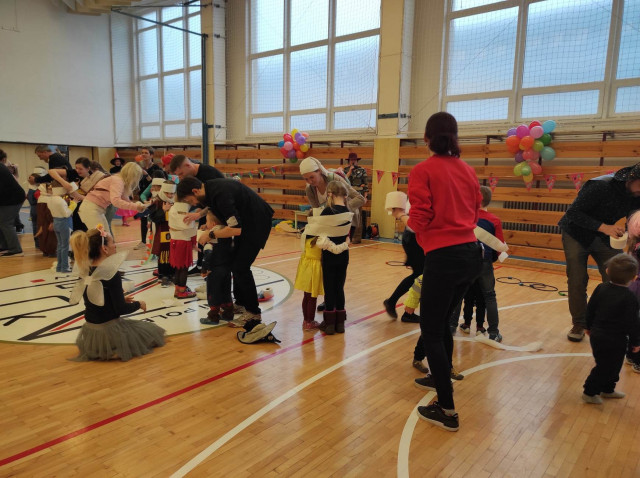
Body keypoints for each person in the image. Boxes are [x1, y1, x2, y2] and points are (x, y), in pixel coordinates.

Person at [392, 112, 483, 432]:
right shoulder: (468, 170)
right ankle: (438, 375)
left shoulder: (423, 170)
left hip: (444, 258)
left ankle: (446, 408)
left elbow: (421, 218)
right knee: (442, 321)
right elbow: (474, 212)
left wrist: (403, 218)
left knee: (431, 330)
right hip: (471, 254)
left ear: (426, 138)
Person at [178, 176, 274, 326]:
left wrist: (210, 234)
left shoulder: (220, 195)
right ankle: (241, 303)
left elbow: (236, 229)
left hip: (257, 224)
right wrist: (200, 215)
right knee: (236, 265)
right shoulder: (209, 189)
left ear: (195, 191)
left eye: (191, 200)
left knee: (241, 267)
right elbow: (211, 208)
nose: (193, 204)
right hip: (247, 222)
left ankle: (253, 313)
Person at [559, 163, 640, 342]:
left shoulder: (636, 194)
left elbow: (633, 217)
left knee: (619, 276)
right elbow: (573, 213)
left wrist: (629, 234)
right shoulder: (600, 185)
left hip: (604, 236)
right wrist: (605, 227)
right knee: (577, 279)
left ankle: (611, 321)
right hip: (575, 233)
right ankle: (579, 324)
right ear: (632, 178)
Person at [68, 226, 166, 361]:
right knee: (152, 331)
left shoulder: (85, 270)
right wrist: (139, 304)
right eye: (112, 242)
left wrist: (120, 298)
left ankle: (104, 348)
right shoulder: (111, 274)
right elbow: (121, 309)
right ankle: (113, 347)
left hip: (91, 331)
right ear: (104, 248)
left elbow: (95, 300)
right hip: (109, 330)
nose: (115, 246)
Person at [300, 156, 365, 311]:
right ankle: (329, 299)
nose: (310, 181)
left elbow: (360, 198)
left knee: (339, 263)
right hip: (326, 226)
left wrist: (340, 210)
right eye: (306, 179)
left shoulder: (335, 180)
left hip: (343, 225)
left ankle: (336, 299)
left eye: (312, 177)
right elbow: (317, 210)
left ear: (319, 171)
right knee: (326, 264)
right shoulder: (310, 189)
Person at [582, 254, 640, 403]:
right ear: (634, 278)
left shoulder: (601, 287)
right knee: (605, 366)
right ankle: (589, 392)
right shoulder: (630, 297)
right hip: (615, 339)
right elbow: (633, 323)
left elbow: (590, 309)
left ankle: (608, 389)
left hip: (598, 335)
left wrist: (588, 326)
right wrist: (636, 342)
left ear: (607, 271)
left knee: (613, 365)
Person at [78, 162, 148, 236]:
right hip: (91, 209)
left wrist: (139, 206)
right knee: (102, 237)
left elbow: (126, 200)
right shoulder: (118, 180)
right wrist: (136, 207)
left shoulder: (119, 180)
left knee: (106, 236)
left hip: (95, 209)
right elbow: (116, 201)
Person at [48, 157, 108, 232]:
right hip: (76, 209)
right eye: (76, 168)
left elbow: (96, 200)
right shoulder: (74, 173)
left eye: (80, 169)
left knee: (95, 231)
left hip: (90, 209)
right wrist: (64, 182)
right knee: (77, 231)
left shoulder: (96, 179)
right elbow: (51, 171)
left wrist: (78, 196)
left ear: (88, 168)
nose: (77, 170)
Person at [199, 211, 235, 325]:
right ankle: (228, 313)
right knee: (226, 291)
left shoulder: (212, 235)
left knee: (213, 292)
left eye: (207, 221)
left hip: (214, 270)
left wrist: (204, 269)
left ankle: (213, 317)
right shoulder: (227, 232)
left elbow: (208, 254)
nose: (206, 224)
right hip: (226, 268)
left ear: (213, 224)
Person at [383, 228, 425, 319]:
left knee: (420, 275)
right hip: (416, 240)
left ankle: (396, 305)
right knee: (421, 276)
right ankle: (407, 312)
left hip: (415, 239)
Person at [293, 218, 324, 331]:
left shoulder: (305, 236)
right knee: (312, 297)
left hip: (305, 267)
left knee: (306, 296)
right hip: (314, 269)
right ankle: (310, 322)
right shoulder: (320, 239)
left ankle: (306, 320)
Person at [168, 191, 198, 299]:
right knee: (184, 268)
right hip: (183, 242)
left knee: (178, 267)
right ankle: (182, 290)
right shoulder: (184, 211)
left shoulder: (172, 209)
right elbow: (190, 228)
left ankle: (177, 290)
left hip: (174, 240)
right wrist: (194, 243)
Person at [149, 180, 175, 288]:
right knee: (163, 254)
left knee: (173, 252)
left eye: (172, 193)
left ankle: (172, 274)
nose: (170, 195)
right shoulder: (157, 202)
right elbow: (153, 218)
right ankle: (164, 275)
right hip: (162, 233)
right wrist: (163, 210)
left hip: (174, 232)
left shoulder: (176, 201)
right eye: (167, 193)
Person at [0, 157, 26, 257]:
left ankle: (16, 249)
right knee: (2, 222)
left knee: (6, 223)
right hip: (8, 198)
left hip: (12, 199)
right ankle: (5, 246)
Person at [343, 152, 369, 243]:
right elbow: (343, 180)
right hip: (348, 195)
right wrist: (350, 171)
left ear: (357, 161)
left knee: (358, 215)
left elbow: (366, 184)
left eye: (354, 160)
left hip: (358, 195)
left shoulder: (362, 170)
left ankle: (357, 237)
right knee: (348, 215)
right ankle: (348, 236)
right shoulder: (345, 170)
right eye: (351, 160)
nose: (353, 161)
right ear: (349, 161)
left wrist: (365, 197)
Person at [48, 183, 73, 273]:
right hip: (64, 222)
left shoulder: (50, 199)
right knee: (65, 246)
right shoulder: (60, 201)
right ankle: (65, 267)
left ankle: (59, 266)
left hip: (56, 221)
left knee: (60, 245)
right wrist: (73, 204)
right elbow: (66, 214)